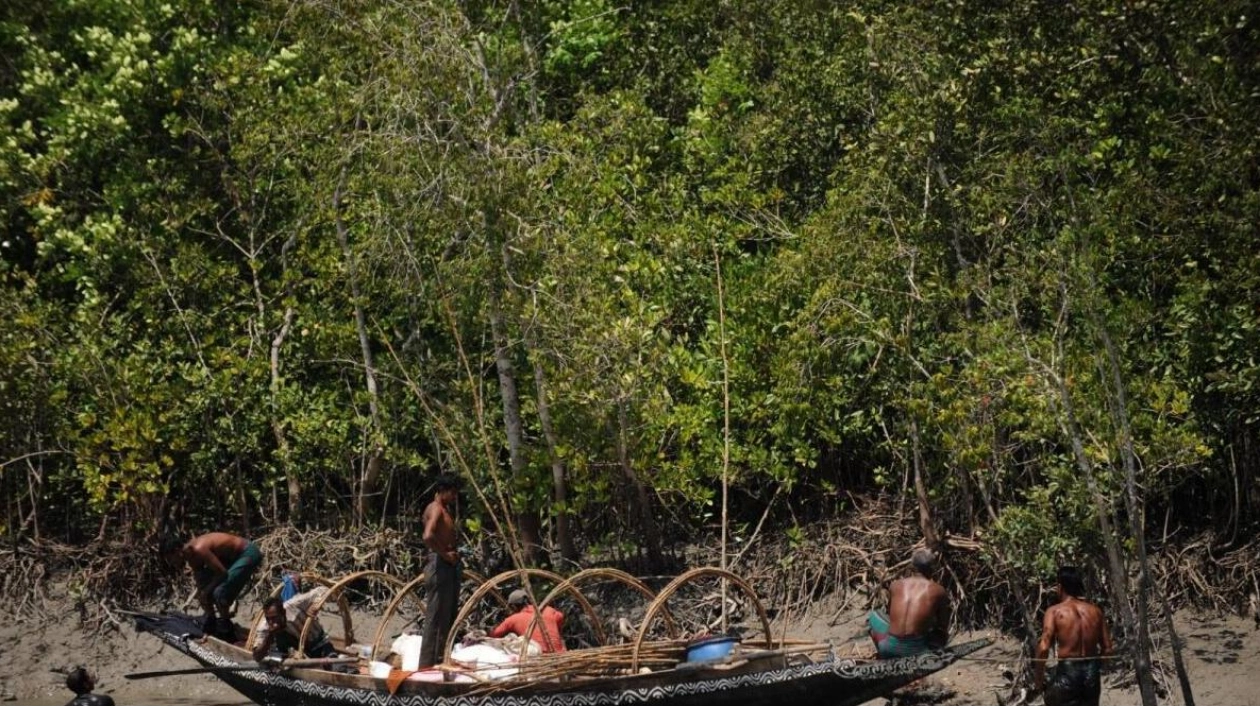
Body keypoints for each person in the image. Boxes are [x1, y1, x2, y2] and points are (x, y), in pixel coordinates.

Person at [1034, 566, 1113, 707]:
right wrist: (1096, 667)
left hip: (1068, 674)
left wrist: (1038, 678)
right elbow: (1107, 649)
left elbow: (1044, 647)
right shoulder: (1095, 611)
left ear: (1060, 587)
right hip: (1091, 676)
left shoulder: (1054, 611)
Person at [160, 531, 263, 640]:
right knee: (204, 590)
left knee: (219, 592)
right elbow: (200, 580)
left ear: (177, 551)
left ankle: (226, 626)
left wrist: (206, 591)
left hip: (248, 553)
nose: (171, 563)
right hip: (230, 560)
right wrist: (203, 597)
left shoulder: (198, 549)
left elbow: (222, 573)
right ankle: (213, 620)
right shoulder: (190, 557)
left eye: (170, 559)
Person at [867, 547, 951, 657]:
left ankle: (883, 653)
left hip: (887, 649)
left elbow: (891, 615)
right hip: (918, 652)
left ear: (912, 567)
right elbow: (943, 624)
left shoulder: (895, 585)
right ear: (933, 568)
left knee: (874, 615)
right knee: (939, 633)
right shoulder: (938, 590)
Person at [418, 475, 461, 668]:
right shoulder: (436, 508)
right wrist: (445, 555)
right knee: (435, 617)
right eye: (451, 492)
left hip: (446, 564)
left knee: (446, 615)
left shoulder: (443, 509)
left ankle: (439, 662)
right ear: (442, 490)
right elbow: (428, 535)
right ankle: (426, 667)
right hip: (439, 564)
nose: (454, 496)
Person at [251, 594, 341, 662]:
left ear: (283, 612)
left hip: (320, 644)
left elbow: (322, 591)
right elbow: (257, 656)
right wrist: (270, 635)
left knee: (334, 664)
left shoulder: (295, 604)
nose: (271, 622)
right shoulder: (265, 627)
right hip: (297, 654)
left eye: (275, 617)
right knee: (280, 637)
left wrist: (315, 605)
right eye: (268, 618)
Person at [488, 589, 567, 653]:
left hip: (537, 654)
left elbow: (494, 634)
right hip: (558, 652)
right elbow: (560, 617)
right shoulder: (549, 610)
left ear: (514, 606)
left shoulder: (513, 619)